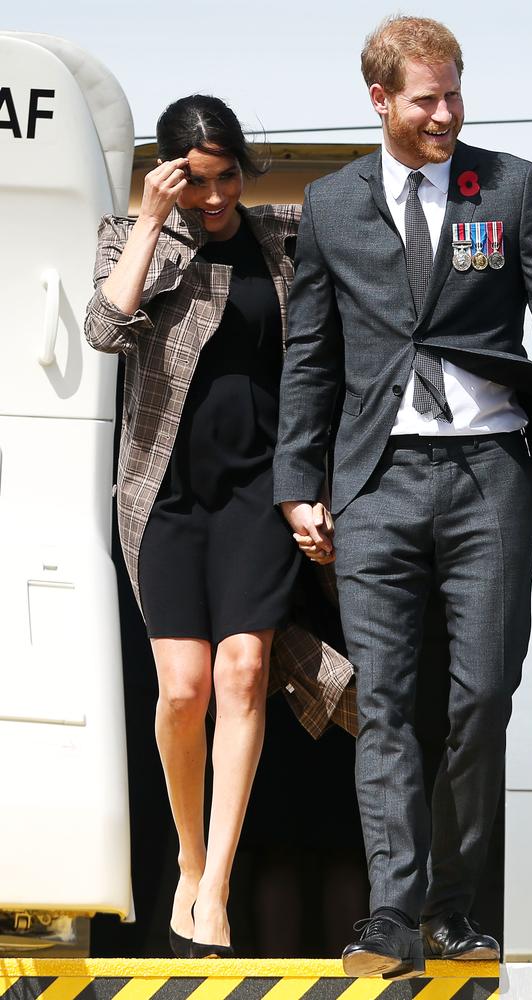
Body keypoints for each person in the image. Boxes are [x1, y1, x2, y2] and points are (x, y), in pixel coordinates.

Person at [274, 15, 532, 976]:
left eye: (456, 92)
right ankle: (391, 915)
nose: (448, 112)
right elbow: (310, 357)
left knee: (480, 697)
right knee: (384, 703)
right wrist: (299, 485)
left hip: (489, 475)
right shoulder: (330, 205)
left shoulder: (511, 186)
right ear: (380, 100)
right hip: (375, 481)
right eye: (427, 98)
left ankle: (454, 907)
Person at [85, 95, 354, 960]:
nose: (213, 197)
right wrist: (150, 221)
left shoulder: (279, 235)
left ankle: (216, 885)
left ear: (244, 167)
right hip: (164, 497)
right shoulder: (135, 238)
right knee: (183, 691)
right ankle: (188, 859)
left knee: (242, 674)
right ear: (171, 176)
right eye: (195, 181)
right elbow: (103, 325)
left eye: (225, 176)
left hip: (256, 492)